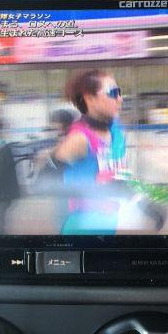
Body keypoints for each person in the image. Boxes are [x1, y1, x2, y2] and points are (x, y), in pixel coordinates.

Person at [50, 70, 127, 235]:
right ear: (89, 98)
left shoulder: (115, 131)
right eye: (113, 93)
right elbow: (46, 179)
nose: (120, 99)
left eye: (119, 92)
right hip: (82, 228)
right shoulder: (79, 138)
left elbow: (117, 175)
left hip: (108, 222)